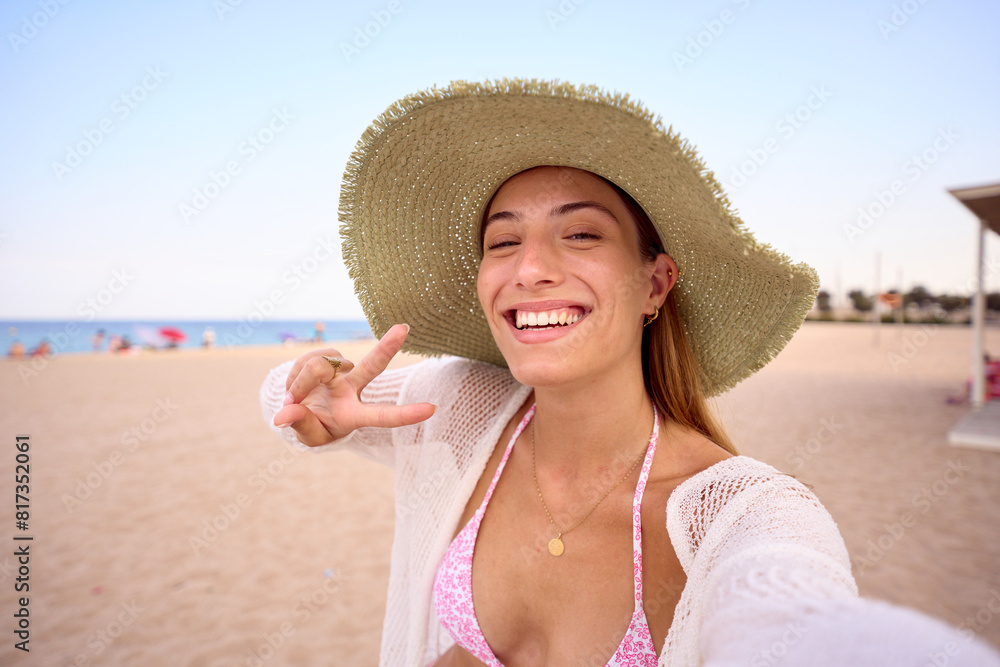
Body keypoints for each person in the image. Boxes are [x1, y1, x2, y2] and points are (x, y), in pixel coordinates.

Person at [260, 80, 999, 666]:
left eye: (580, 233)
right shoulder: (460, 406)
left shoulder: (741, 515)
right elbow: (283, 400)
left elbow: (797, 615)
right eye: (502, 241)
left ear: (655, 283)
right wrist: (314, 409)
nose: (532, 269)